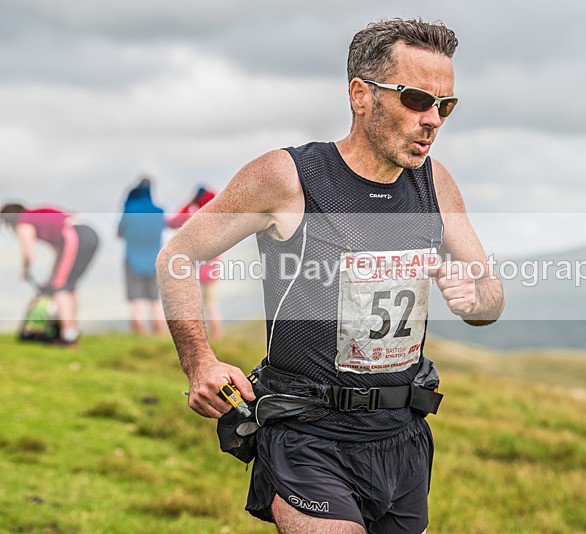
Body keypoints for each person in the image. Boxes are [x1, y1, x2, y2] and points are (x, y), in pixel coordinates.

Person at [157, 18, 504, 534]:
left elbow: (491, 294)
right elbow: (178, 257)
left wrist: (476, 299)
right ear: (360, 95)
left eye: (445, 105)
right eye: (416, 100)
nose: (433, 120)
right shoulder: (288, 177)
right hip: (307, 435)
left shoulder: (435, 184)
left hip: (401, 436)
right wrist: (199, 362)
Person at [1, 202, 100, 347]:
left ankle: (68, 337)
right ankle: (70, 332)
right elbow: (59, 248)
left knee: (61, 288)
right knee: (69, 286)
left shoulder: (24, 221)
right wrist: (53, 274)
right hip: (89, 235)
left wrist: (26, 271)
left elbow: (28, 251)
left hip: (74, 235)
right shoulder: (35, 215)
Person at [167, 186, 224, 339]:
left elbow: (172, 222)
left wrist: (189, 202)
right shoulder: (217, 218)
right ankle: (217, 337)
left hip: (193, 267)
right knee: (211, 303)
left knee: (194, 306)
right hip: (211, 267)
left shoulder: (192, 215)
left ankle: (198, 339)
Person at [118, 176, 166, 335]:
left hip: (133, 262)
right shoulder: (159, 212)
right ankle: (159, 339)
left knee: (136, 303)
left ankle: (140, 340)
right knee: (155, 302)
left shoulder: (129, 211)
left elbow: (119, 233)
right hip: (156, 262)